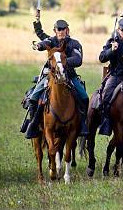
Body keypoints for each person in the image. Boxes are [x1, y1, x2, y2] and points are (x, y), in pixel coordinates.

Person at [22, 11, 88, 139]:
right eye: (59, 29)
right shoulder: (51, 41)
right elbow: (43, 43)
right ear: (55, 30)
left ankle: (83, 124)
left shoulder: (75, 44)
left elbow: (78, 60)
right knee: (34, 97)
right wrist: (37, 45)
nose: (61, 31)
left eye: (63, 29)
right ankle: (34, 124)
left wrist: (61, 61)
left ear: (67, 30)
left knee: (84, 97)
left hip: (69, 76)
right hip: (50, 77)